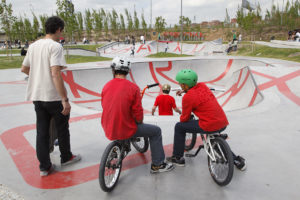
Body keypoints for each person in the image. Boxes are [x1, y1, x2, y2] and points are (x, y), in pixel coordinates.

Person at [21, 16, 81, 177]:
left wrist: (38, 77)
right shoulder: (55, 47)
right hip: (53, 97)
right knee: (62, 128)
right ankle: (66, 157)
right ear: (59, 30)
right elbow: (55, 73)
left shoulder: (33, 46)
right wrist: (65, 99)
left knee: (42, 131)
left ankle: (44, 167)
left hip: (37, 97)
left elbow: (24, 69)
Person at [101, 56, 174, 173]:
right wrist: (139, 122)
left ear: (113, 70)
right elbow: (138, 112)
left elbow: (105, 105)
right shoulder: (133, 88)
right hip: (125, 128)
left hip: (107, 126)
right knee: (156, 131)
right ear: (128, 71)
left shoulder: (106, 86)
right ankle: (158, 165)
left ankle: (120, 145)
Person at [166, 69, 246, 171]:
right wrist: (184, 91)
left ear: (186, 85)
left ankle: (177, 158)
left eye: (181, 84)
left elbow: (184, 118)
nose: (179, 85)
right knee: (214, 136)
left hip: (208, 124)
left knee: (179, 127)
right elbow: (196, 92)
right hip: (222, 121)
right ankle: (236, 161)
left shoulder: (187, 97)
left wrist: (183, 110)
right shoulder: (202, 86)